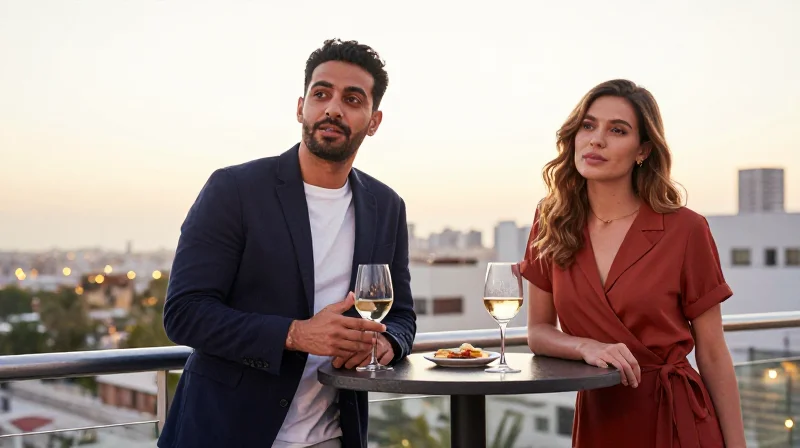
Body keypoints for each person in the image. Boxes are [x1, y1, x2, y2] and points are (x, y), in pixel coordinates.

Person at [157, 38, 417, 448]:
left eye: (352, 99)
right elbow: (184, 313)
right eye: (321, 93)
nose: (332, 108)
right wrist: (295, 334)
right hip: (227, 434)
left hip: (333, 436)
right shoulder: (234, 190)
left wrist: (388, 342)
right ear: (301, 107)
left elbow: (401, 315)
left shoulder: (386, 206)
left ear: (374, 121)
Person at [521, 79, 746, 448]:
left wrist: (736, 446)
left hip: (677, 420)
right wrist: (587, 347)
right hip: (600, 418)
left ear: (642, 150)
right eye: (588, 125)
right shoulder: (551, 221)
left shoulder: (686, 229)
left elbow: (712, 351)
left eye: (618, 130)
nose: (596, 139)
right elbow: (539, 332)